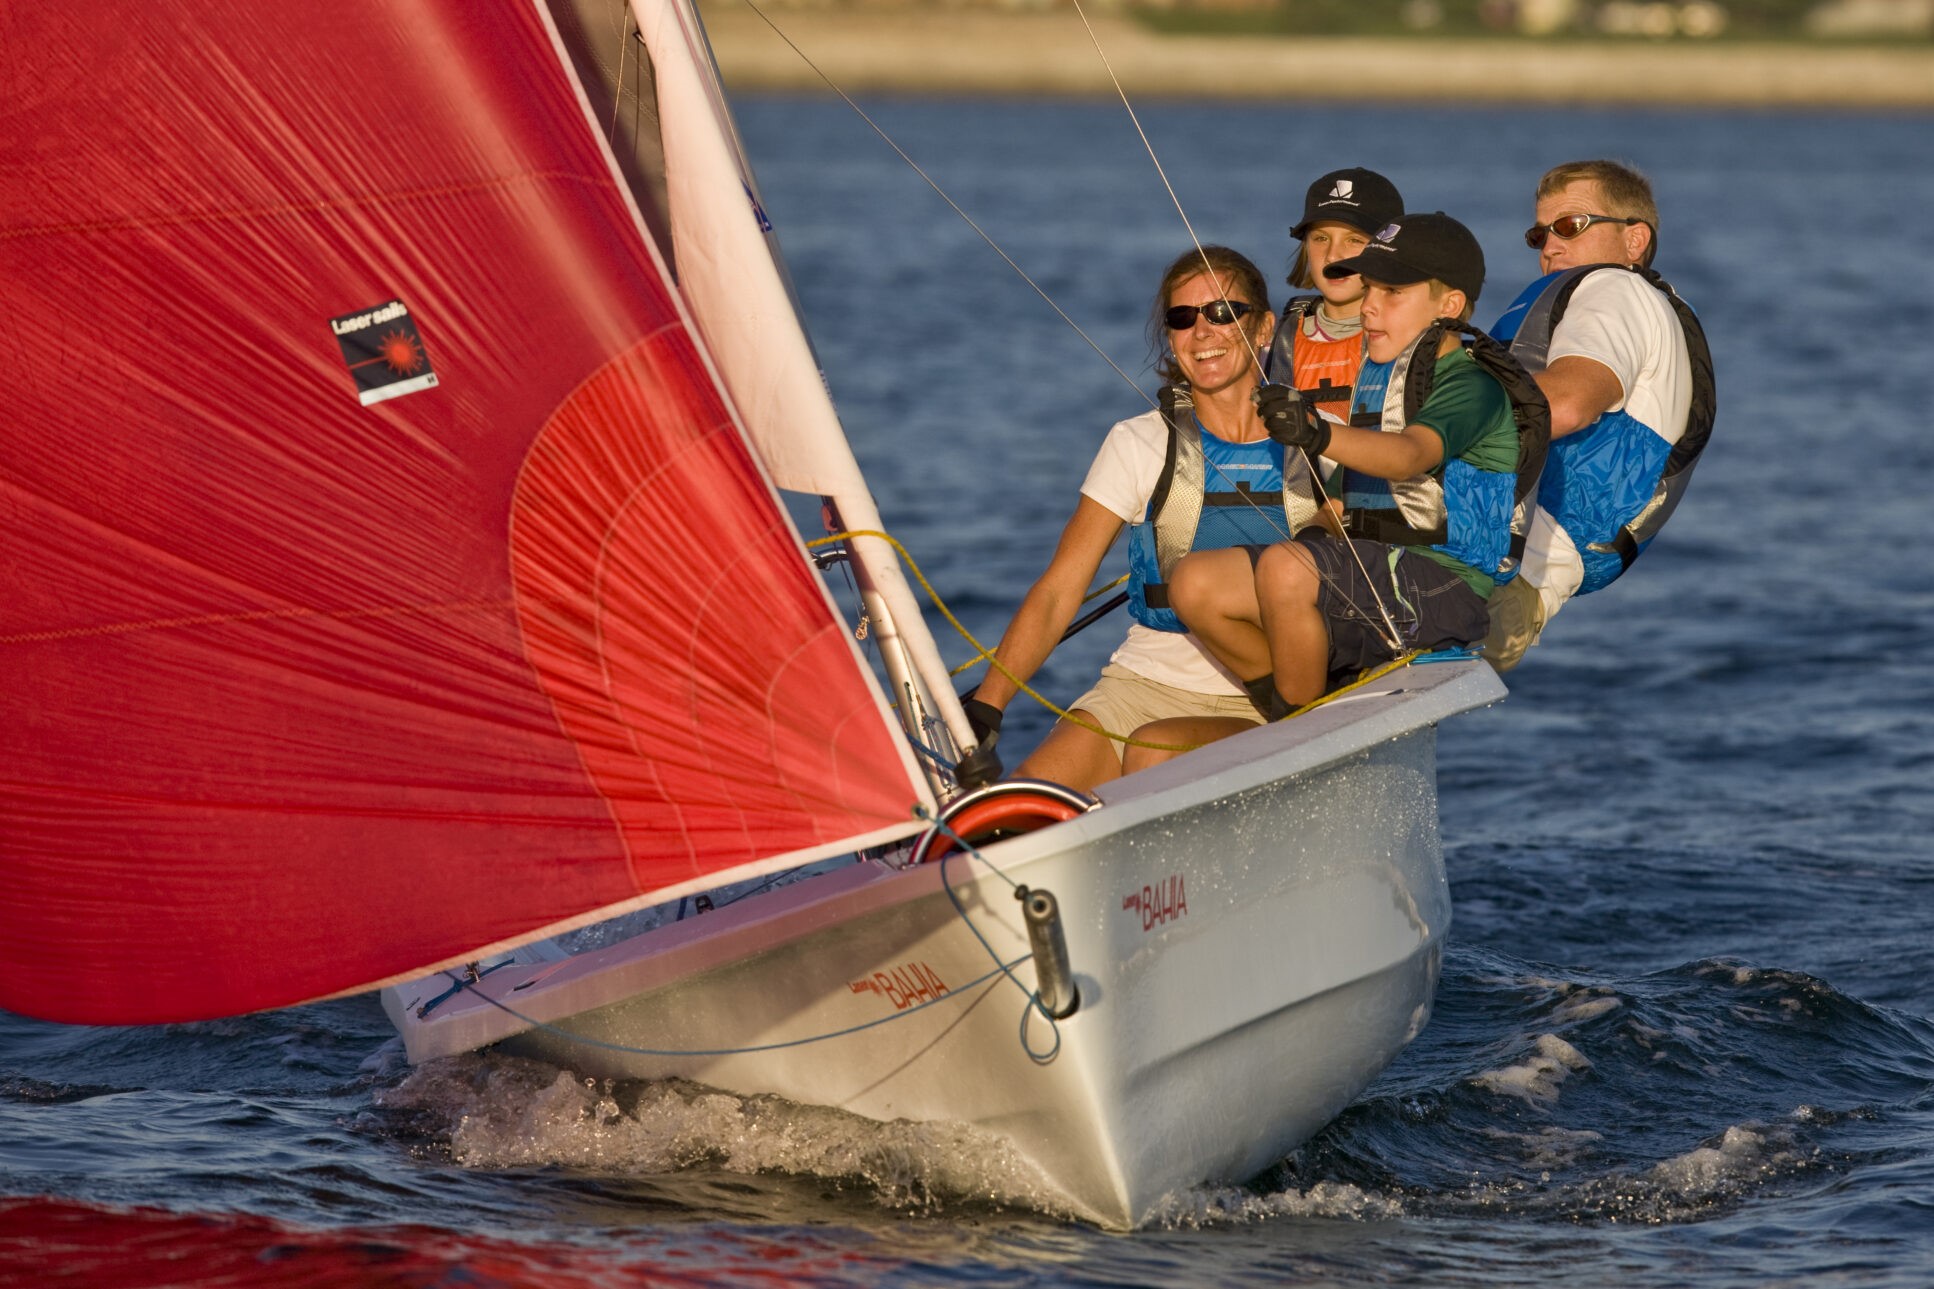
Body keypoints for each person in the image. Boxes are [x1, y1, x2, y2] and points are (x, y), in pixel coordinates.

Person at [1127, 214, 1526, 763]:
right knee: (1194, 581)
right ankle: (1291, 711)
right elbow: (1340, 502)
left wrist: (1316, 432)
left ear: (1448, 306)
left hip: (1442, 591)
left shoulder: (1470, 386)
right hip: (1371, 572)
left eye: (1393, 292)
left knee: (1287, 568)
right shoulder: (1379, 379)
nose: (1368, 306)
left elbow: (1410, 455)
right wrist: (1310, 533)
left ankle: (1302, 743)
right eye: (1369, 289)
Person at [962, 246, 1329, 791]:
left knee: (1151, 758)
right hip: (1141, 684)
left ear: (1263, 328)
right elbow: (1060, 591)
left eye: (1223, 312)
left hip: (1271, 699)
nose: (1202, 331)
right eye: (1182, 318)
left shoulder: (1324, 440)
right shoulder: (1136, 443)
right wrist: (987, 709)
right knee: (1024, 806)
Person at [1482, 158, 1714, 671]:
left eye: (1570, 226)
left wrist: (1425, 416)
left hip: (1501, 579)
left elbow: (1565, 406)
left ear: (1634, 242)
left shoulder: (1615, 289)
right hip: (1523, 577)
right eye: (1538, 235)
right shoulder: (1630, 304)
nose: (1551, 247)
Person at [1268, 167, 1405, 423]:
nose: (1332, 256)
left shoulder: (1415, 340)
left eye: (1354, 240)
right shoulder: (1272, 348)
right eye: (1321, 238)